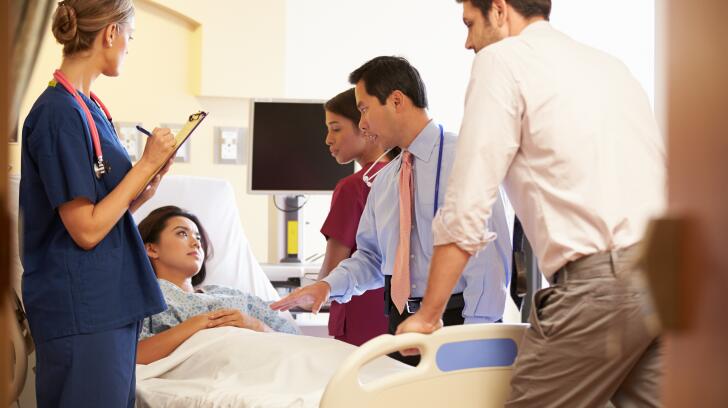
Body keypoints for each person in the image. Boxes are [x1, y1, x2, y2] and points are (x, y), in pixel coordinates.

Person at [398, 1, 666, 407]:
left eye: (470, 24)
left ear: (500, 10)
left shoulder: (502, 62)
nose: (468, 42)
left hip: (603, 285)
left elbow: (466, 204)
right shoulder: (611, 67)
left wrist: (429, 314)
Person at [272, 56, 511, 365]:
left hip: (458, 325)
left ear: (396, 100)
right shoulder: (386, 180)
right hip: (399, 326)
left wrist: (475, 340)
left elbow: (489, 260)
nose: (362, 124)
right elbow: (370, 258)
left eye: (364, 109)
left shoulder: (465, 157)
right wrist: (327, 286)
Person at [18, 1, 177, 406]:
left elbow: (105, 211)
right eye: (130, 36)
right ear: (110, 33)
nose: (128, 46)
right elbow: (85, 229)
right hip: (82, 310)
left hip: (108, 305)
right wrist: (143, 165)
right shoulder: (58, 113)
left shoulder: (89, 108)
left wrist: (146, 185)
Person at [136, 206, 299, 365]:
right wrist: (195, 325)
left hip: (270, 362)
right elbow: (133, 354)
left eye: (198, 237)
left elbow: (294, 343)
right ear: (151, 249)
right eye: (182, 234)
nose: (196, 243)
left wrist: (255, 325)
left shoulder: (230, 294)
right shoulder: (144, 296)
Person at [318, 88, 394, 346]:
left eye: (336, 128)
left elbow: (331, 273)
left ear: (365, 126)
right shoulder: (401, 176)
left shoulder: (353, 187)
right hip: (393, 319)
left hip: (358, 321)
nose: (328, 139)